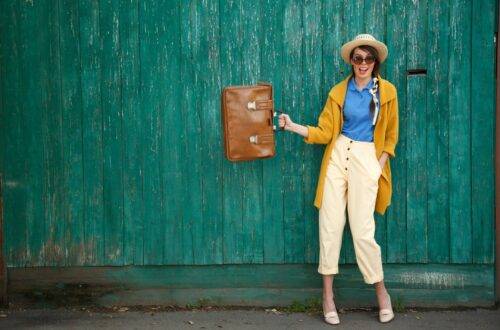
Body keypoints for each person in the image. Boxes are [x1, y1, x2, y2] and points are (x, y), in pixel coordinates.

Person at [279, 34, 398, 325]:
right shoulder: (338, 92)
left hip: (366, 158)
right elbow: (324, 132)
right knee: (330, 227)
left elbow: (391, 135)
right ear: (351, 61)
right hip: (338, 156)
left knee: (362, 231)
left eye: (368, 58)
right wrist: (293, 126)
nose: (363, 63)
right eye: (358, 58)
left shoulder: (387, 92)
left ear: (376, 62)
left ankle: (382, 293)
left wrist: (376, 167)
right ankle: (328, 297)